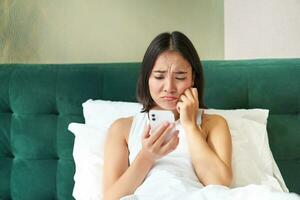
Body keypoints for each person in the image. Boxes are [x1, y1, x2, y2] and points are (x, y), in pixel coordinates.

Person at [103, 31, 233, 200]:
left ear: (193, 78)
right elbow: (110, 197)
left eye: (180, 77)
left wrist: (190, 126)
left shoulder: (213, 124)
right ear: (147, 77)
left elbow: (219, 184)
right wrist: (147, 156)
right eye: (159, 76)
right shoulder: (122, 128)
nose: (169, 87)